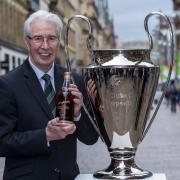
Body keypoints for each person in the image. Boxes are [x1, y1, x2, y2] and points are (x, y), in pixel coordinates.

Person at [0, 10, 99, 180]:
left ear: (58, 42)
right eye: (38, 38)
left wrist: (77, 114)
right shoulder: (8, 84)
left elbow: (91, 138)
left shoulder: (74, 80)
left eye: (51, 38)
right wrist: (45, 135)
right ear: (27, 41)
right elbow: (2, 142)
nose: (45, 46)